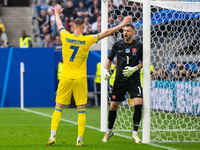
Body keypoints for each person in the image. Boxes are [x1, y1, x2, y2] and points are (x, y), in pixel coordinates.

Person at [46, 4, 132, 146]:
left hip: (66, 77)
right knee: (81, 109)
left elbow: (59, 24)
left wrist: (56, 12)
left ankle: (52, 136)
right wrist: (122, 24)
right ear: (84, 27)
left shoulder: (65, 36)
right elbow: (106, 33)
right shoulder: (87, 40)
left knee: (58, 106)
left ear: (73, 27)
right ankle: (79, 140)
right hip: (80, 79)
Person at [102, 23, 143, 143]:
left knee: (139, 103)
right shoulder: (117, 44)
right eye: (124, 30)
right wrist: (105, 70)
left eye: (128, 31)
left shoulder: (139, 45)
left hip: (134, 80)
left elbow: (144, 61)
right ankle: (109, 131)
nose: (125, 32)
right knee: (113, 106)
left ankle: (135, 133)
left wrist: (134, 68)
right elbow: (109, 59)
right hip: (120, 80)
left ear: (133, 33)